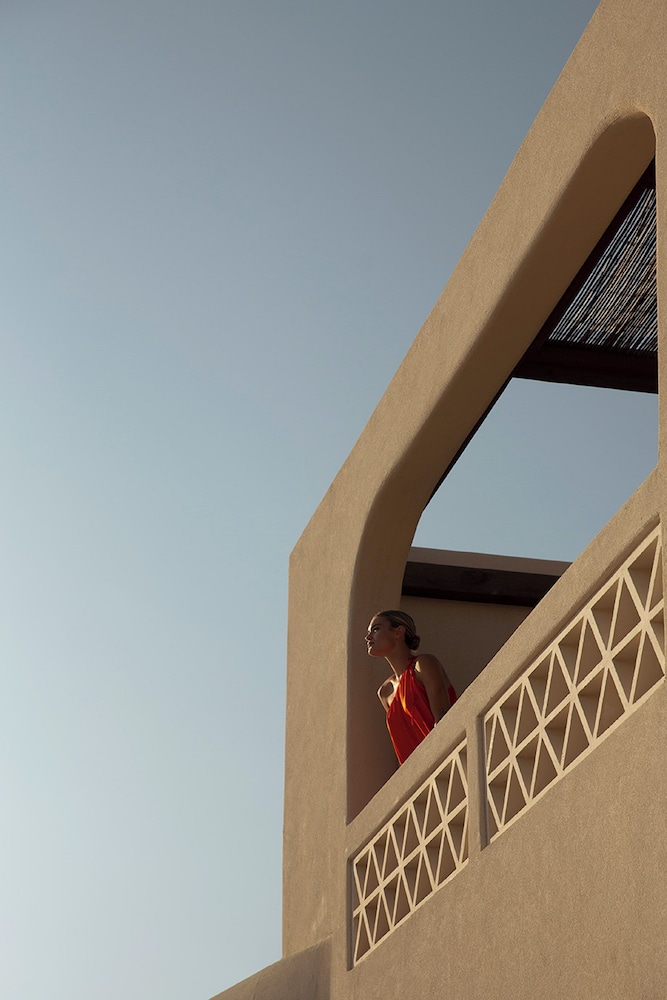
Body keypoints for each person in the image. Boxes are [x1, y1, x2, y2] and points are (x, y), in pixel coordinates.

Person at [366, 610, 457, 764]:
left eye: (376, 629)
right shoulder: (385, 692)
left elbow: (443, 720)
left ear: (398, 632)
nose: (368, 637)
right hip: (416, 772)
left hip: (444, 761)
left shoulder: (423, 664)